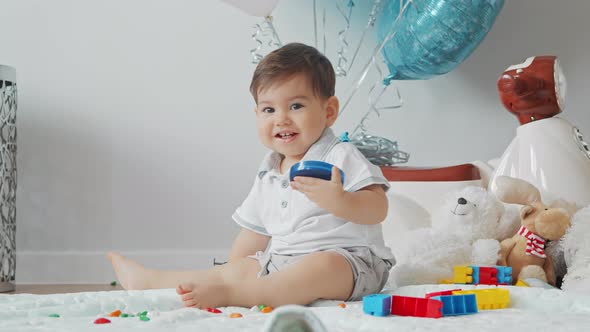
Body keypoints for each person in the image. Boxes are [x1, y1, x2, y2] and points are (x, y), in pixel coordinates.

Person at [108, 42, 395, 309]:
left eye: (296, 106)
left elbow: (378, 208)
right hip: (282, 262)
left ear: (329, 111)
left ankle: (234, 296)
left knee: (321, 267)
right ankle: (151, 283)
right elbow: (253, 234)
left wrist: (341, 200)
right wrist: (233, 271)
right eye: (269, 109)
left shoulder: (339, 155)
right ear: (256, 113)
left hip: (351, 263)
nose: (281, 118)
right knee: (235, 270)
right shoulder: (269, 172)